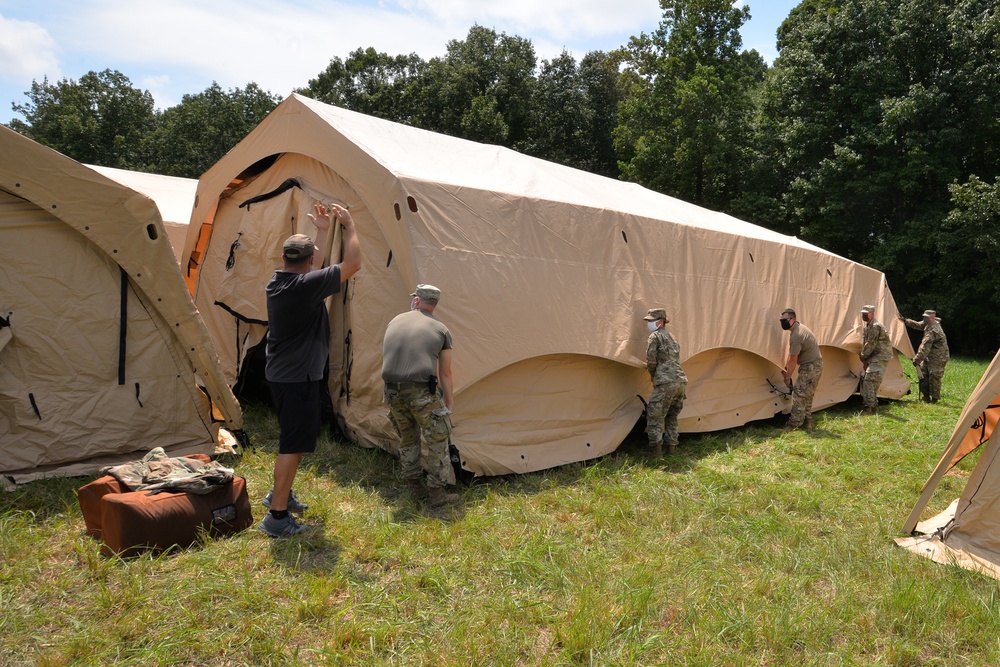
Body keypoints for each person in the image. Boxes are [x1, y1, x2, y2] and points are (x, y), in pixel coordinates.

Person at [258, 202, 361, 538]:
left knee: (296, 440)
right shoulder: (303, 288)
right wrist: (349, 225)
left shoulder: (281, 281)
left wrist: (320, 229)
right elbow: (353, 264)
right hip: (296, 379)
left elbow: (312, 266)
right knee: (292, 444)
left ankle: (281, 495)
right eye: (313, 253)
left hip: (286, 375)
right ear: (307, 261)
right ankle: (276, 515)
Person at [382, 284, 459, 507]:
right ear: (433, 305)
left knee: (408, 438)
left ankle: (414, 487)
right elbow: (445, 372)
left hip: (392, 391)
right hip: (421, 392)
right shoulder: (441, 330)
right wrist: (449, 403)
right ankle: (436, 493)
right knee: (438, 438)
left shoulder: (394, 321)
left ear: (416, 300)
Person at [642, 308, 687, 457]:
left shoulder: (655, 336)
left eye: (651, 321)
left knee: (655, 417)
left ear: (660, 322)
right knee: (671, 416)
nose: (649, 324)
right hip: (680, 381)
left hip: (665, 383)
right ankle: (672, 451)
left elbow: (651, 360)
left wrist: (653, 376)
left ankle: (657, 455)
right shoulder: (673, 337)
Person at [779, 308, 823, 432]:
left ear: (793, 319)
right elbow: (792, 355)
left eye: (785, 320)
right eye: (781, 320)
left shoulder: (797, 335)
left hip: (810, 367)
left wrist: (787, 377)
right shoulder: (798, 329)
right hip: (816, 365)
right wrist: (786, 369)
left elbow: (793, 359)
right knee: (807, 395)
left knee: (798, 394)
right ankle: (806, 422)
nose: (783, 323)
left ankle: (793, 424)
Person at [901, 309, 949, 403]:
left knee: (934, 377)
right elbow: (918, 325)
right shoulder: (928, 324)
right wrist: (905, 320)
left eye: (925, 317)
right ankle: (925, 397)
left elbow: (925, 347)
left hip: (938, 358)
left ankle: (934, 399)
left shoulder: (934, 330)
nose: (924, 319)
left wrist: (917, 359)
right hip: (929, 356)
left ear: (932, 318)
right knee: (923, 375)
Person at [858, 305, 892, 415]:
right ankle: (873, 406)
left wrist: (863, 357)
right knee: (871, 381)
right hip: (874, 357)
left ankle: (869, 408)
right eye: (863, 313)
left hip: (880, 357)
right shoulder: (868, 326)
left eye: (866, 313)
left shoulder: (875, 326)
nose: (864, 315)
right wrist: (865, 360)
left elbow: (870, 345)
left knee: (869, 381)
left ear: (872, 314)